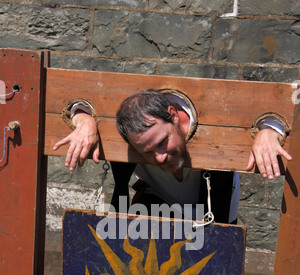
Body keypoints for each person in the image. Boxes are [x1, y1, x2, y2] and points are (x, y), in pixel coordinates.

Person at [53, 89, 292, 224]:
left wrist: (269, 131)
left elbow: (277, 112)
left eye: (162, 142)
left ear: (173, 116)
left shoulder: (209, 123)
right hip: (159, 206)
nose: (159, 157)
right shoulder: (130, 135)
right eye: (147, 151)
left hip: (214, 208)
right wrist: (83, 120)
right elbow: (74, 101)